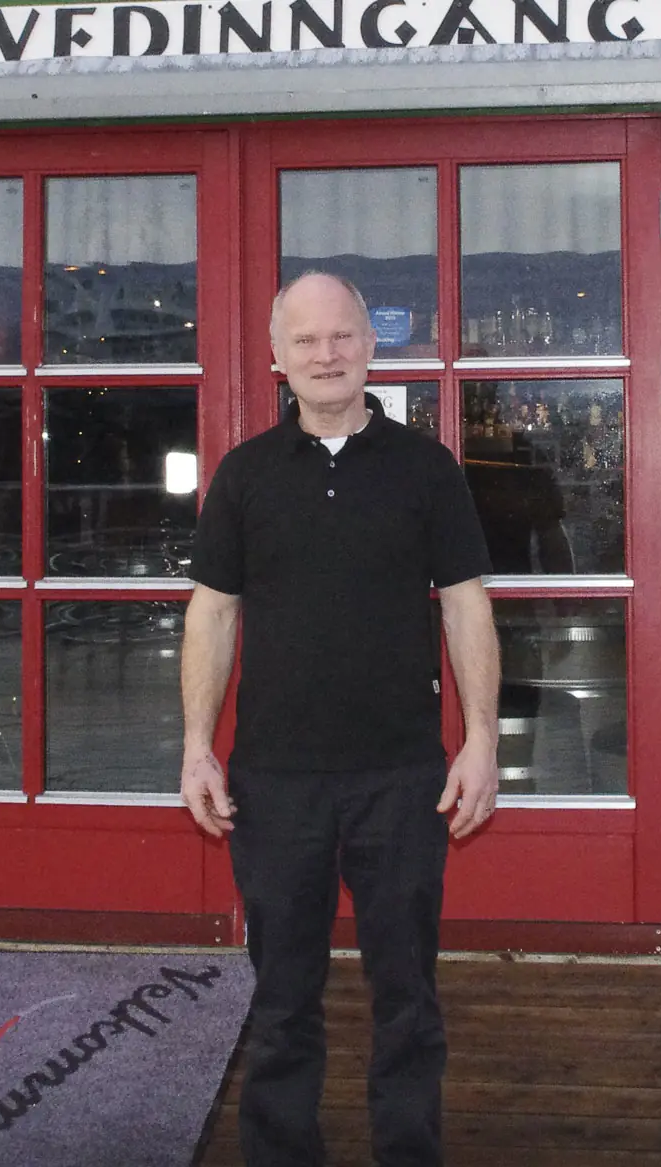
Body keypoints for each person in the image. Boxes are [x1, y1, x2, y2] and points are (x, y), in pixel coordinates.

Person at [180, 271, 500, 1167]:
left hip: (401, 777)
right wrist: (196, 746)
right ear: (276, 357)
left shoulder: (425, 469)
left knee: (408, 999)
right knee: (282, 1001)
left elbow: (465, 604)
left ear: (369, 344)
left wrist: (479, 740)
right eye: (306, 340)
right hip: (274, 781)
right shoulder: (244, 475)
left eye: (341, 336)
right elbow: (212, 613)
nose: (325, 354)